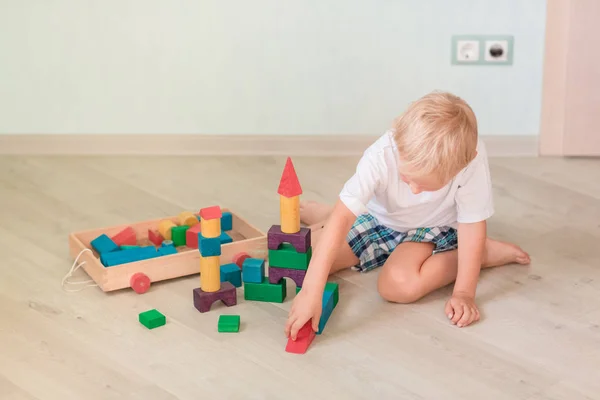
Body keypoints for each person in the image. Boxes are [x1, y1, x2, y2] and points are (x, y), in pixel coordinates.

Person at [284, 91, 530, 340]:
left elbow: (471, 223)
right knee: (303, 258)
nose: (413, 191)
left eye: (425, 186)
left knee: (397, 286)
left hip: (436, 226)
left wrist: (464, 293)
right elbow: (341, 220)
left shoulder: (469, 159)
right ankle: (331, 213)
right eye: (407, 178)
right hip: (382, 219)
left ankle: (482, 253)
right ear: (398, 142)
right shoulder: (381, 155)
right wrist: (311, 292)